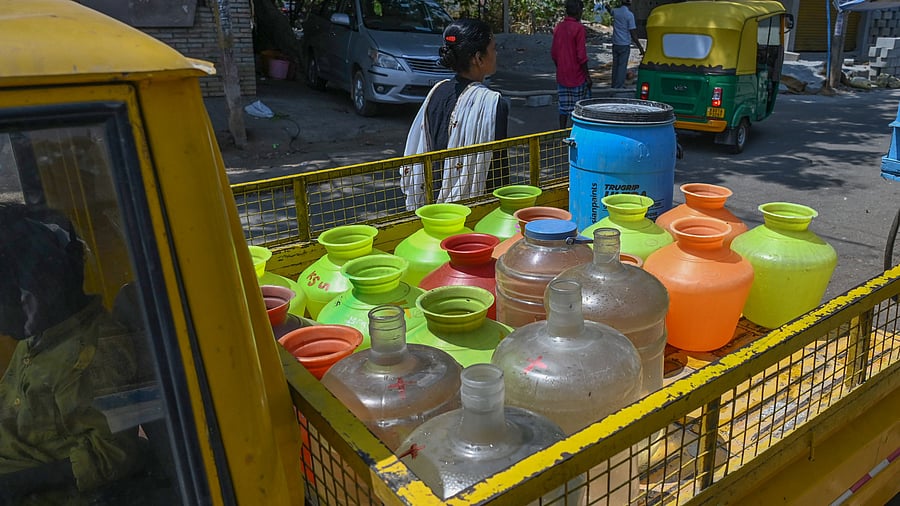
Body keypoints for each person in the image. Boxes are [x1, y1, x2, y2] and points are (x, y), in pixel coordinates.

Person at [0, 203, 142, 504]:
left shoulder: (92, 354)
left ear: (36, 290)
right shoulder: (37, 337)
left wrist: (18, 484)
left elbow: (112, 455)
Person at [402, 18, 510, 211]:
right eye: (493, 48)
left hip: (431, 203)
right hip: (473, 208)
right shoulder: (492, 103)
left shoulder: (437, 92)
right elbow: (497, 167)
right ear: (478, 58)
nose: (496, 54)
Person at [552, 0, 592, 129]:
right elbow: (581, 55)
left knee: (563, 107)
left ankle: (561, 132)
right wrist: (588, 76)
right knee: (579, 108)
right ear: (578, 11)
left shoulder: (559, 27)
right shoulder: (579, 28)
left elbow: (554, 53)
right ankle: (578, 133)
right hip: (577, 76)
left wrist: (561, 66)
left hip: (562, 75)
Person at [607, 0, 644, 88]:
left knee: (615, 66)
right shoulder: (629, 15)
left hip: (615, 43)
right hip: (624, 44)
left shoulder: (616, 12)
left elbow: (610, 11)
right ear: (630, 3)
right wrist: (640, 48)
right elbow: (633, 34)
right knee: (622, 67)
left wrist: (607, 7)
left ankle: (614, 84)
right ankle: (618, 86)